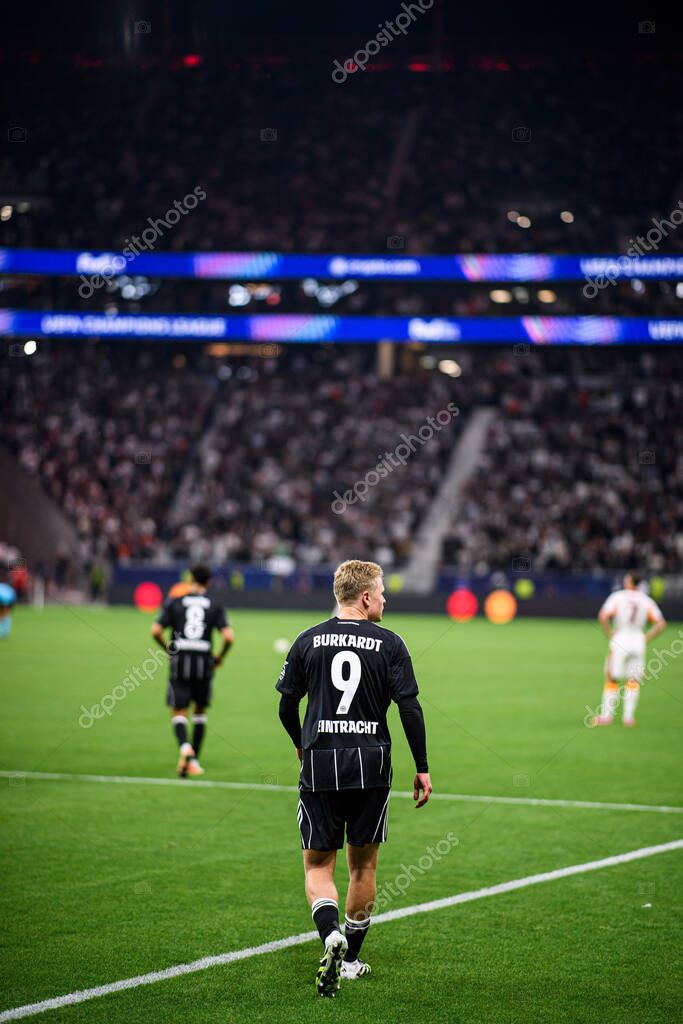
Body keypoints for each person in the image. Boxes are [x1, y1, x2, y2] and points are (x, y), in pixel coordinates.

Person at [276, 559, 431, 998]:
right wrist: (421, 766)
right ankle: (352, 960)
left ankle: (329, 936)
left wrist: (301, 744)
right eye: (381, 591)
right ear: (365, 597)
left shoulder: (308, 639)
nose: (385, 598)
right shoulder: (390, 643)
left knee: (318, 865)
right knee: (363, 865)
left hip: (321, 762)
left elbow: (286, 706)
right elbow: (409, 707)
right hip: (371, 763)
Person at [151, 565, 234, 776]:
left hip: (180, 661)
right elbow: (228, 637)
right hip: (204, 663)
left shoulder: (175, 602)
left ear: (190, 579)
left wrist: (169, 649)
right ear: (209, 582)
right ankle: (194, 760)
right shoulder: (215, 605)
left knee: (179, 711)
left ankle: (184, 748)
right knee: (199, 712)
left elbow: (156, 630)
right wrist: (219, 657)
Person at [592, 573, 666, 727]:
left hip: (621, 638)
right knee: (633, 681)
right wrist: (646, 638)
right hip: (638, 640)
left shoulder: (618, 597)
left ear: (630, 581)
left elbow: (604, 616)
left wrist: (609, 633)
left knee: (612, 678)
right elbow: (660, 624)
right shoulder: (646, 600)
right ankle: (628, 718)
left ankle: (606, 716)